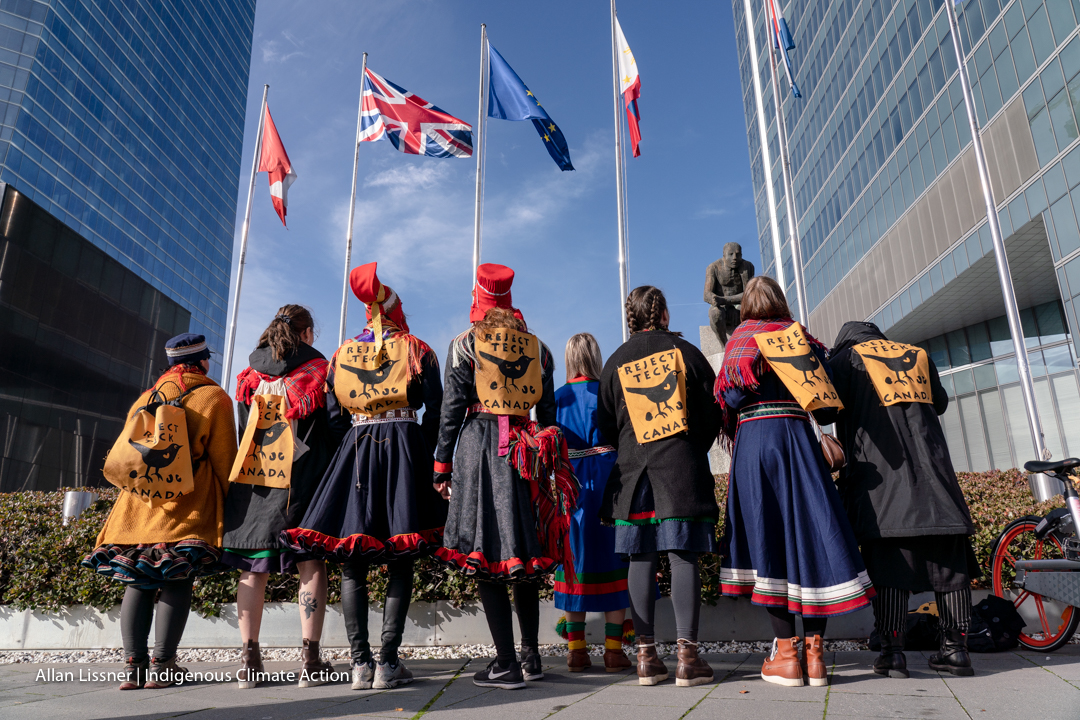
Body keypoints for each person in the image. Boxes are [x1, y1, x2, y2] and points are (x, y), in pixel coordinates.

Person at [282, 263, 446, 691]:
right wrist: (422, 448)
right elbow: (437, 407)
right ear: (395, 309)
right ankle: (388, 661)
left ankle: (360, 664)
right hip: (404, 447)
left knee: (351, 562)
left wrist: (353, 446)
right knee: (401, 556)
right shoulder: (417, 348)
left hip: (356, 449)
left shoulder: (341, 354)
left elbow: (334, 415)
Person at [715, 277, 873, 688]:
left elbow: (731, 399)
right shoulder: (801, 339)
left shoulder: (740, 341)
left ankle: (786, 657)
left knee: (768, 541)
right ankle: (816, 658)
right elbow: (825, 410)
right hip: (799, 443)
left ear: (746, 307)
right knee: (812, 537)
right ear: (781, 302)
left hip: (755, 444)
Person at [434, 263, 577, 690]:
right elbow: (548, 416)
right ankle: (531, 656)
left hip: (479, 449)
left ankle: (505, 663)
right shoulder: (539, 349)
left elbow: (451, 409)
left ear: (478, 300)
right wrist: (545, 462)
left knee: (486, 554)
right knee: (522, 556)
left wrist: (441, 465)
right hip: (523, 451)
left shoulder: (464, 344)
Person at [82, 334, 237, 690]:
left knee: (138, 581)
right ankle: (163, 666)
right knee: (176, 578)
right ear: (202, 361)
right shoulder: (214, 397)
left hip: (138, 504)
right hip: (187, 504)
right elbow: (224, 457)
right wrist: (233, 504)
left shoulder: (146, 398)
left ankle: (133, 668)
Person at [829, 321, 979, 678]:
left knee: (890, 566)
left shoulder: (845, 361)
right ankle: (956, 652)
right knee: (950, 565)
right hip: (937, 477)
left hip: (884, 485)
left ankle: (892, 653)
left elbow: (824, 412)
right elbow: (940, 403)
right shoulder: (916, 354)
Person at [597, 286, 722, 688]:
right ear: (664, 315)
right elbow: (713, 411)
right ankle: (689, 658)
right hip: (680, 468)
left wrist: (631, 449)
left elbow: (606, 425)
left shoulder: (615, 361)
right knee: (683, 556)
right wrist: (691, 447)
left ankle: (646, 658)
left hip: (633, 473)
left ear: (630, 318)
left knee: (640, 557)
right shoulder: (688, 353)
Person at [222, 305, 337, 689]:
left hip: (256, 481)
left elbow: (244, 430)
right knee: (310, 562)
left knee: (253, 566)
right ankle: (311, 662)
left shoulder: (249, 376)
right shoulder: (319, 372)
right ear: (307, 333)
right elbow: (332, 427)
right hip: (304, 479)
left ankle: (249, 663)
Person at [553, 333, 632, 674]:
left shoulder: (556, 398)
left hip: (572, 485)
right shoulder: (609, 391)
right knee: (616, 560)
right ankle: (614, 652)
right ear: (596, 357)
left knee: (574, 562)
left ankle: (577, 652)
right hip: (610, 481)